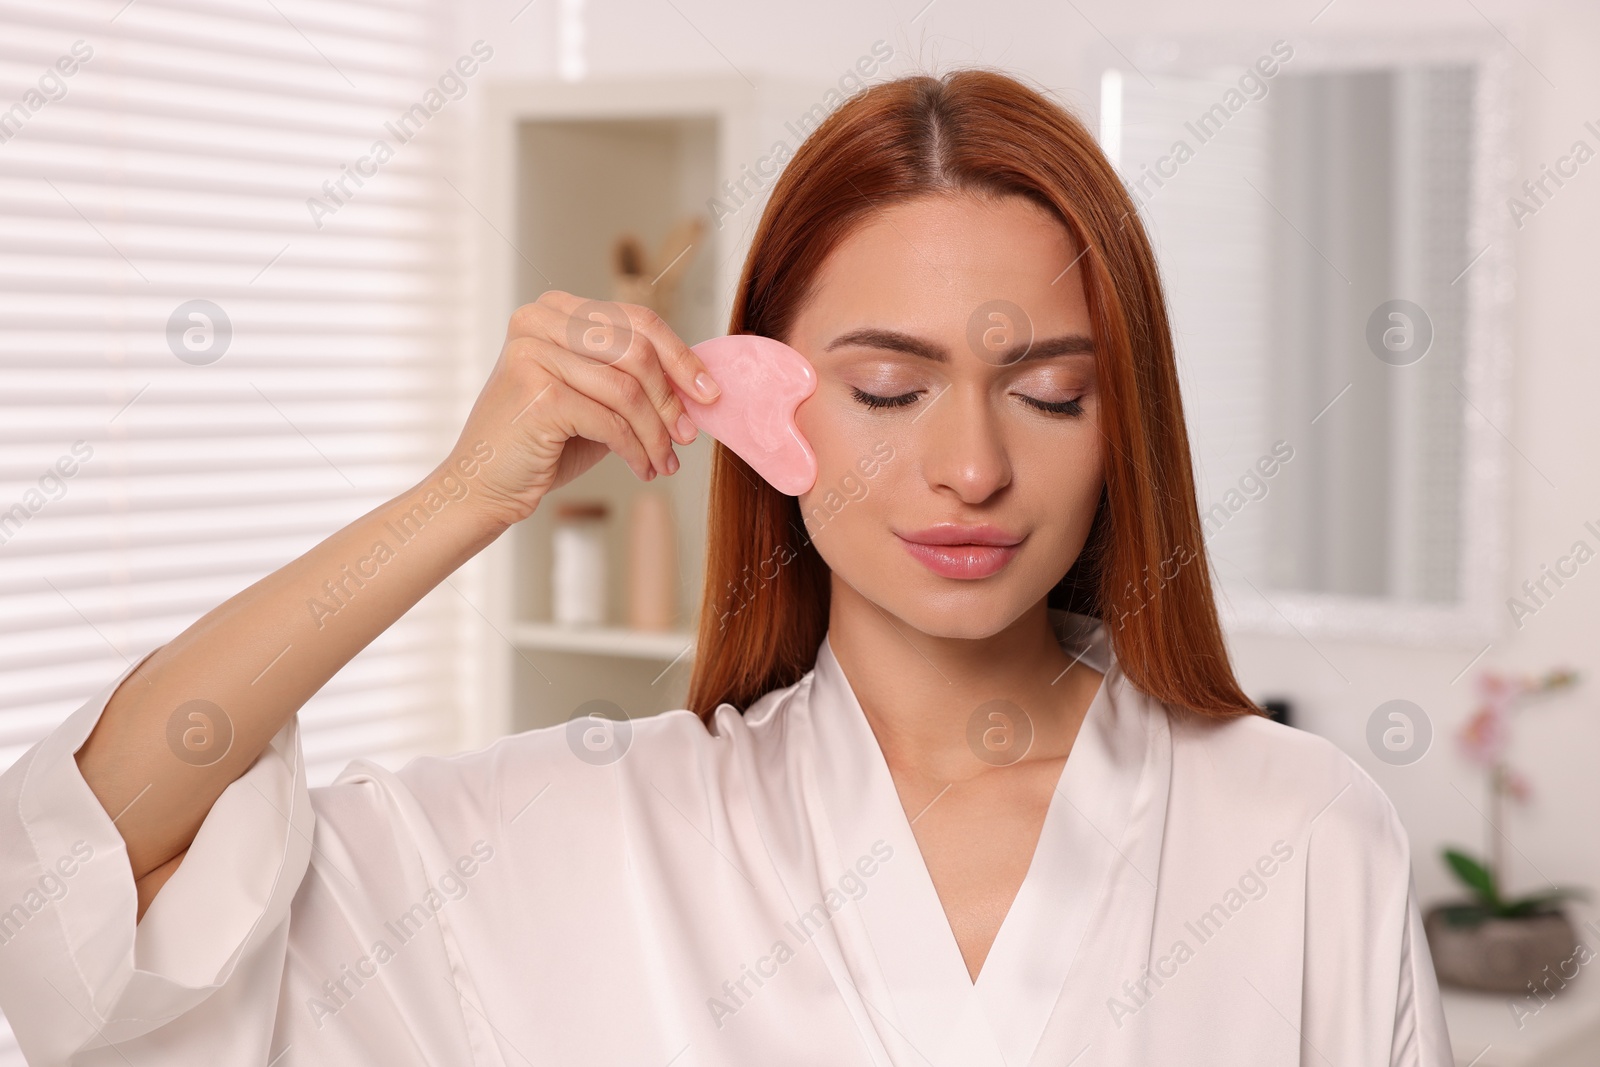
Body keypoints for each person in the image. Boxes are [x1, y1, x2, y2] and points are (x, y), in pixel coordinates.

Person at [0, 69, 1451, 1065]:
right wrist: (459, 497)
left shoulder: (1305, 833)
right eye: (888, 389)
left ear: (1126, 424)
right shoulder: (580, 838)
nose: (971, 468)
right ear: (762, 400)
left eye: (1052, 393)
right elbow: (88, 876)